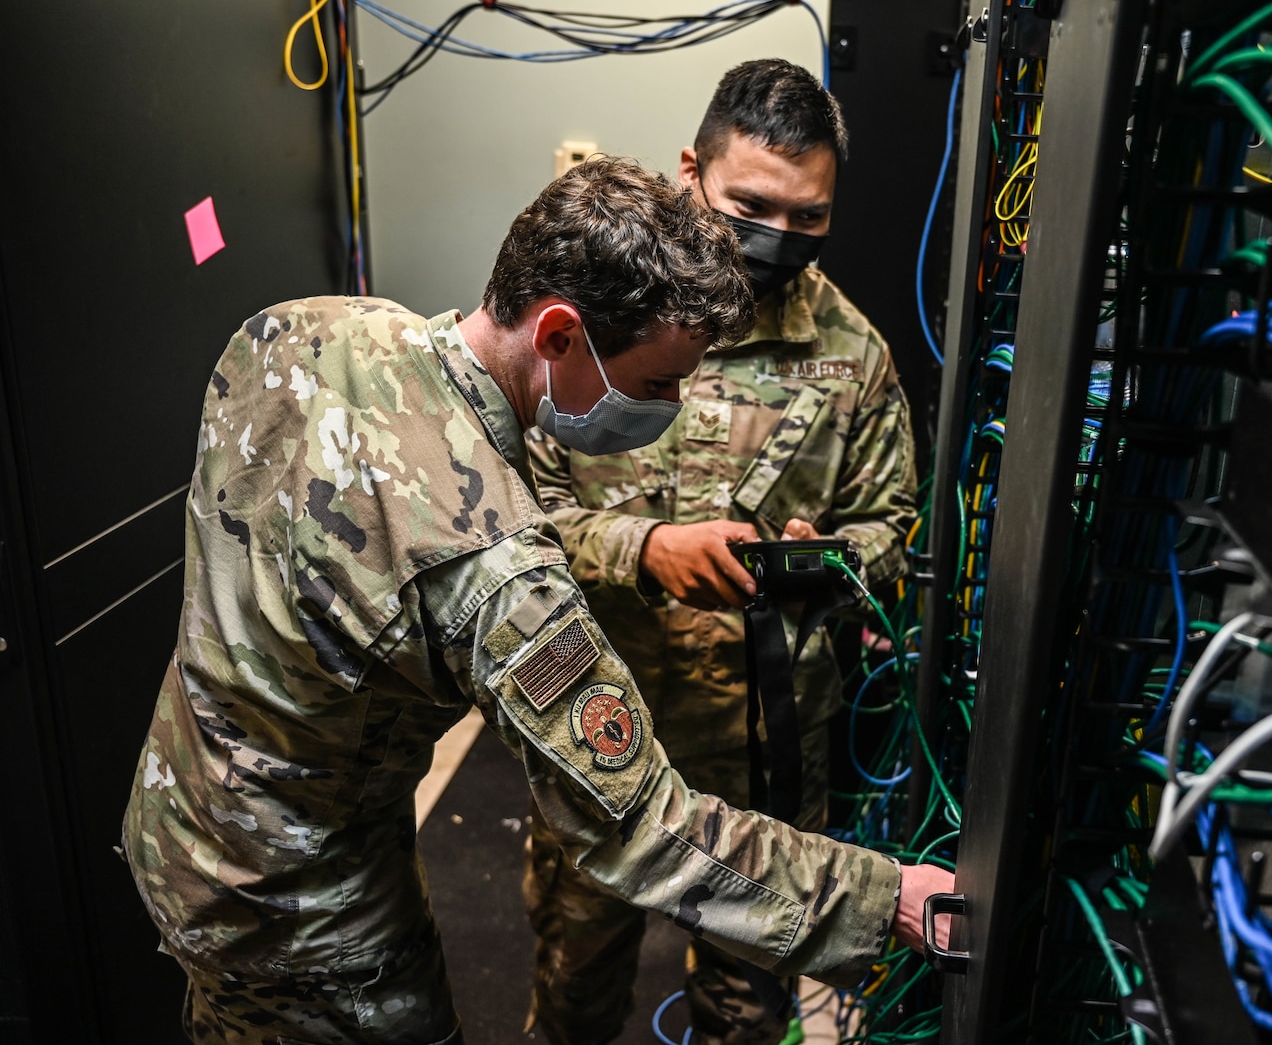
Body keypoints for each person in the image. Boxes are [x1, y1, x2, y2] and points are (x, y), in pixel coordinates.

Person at [121, 156, 950, 1045]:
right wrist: (887, 897)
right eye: (658, 383)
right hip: (310, 918)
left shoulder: (307, 330)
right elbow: (640, 828)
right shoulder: (493, 565)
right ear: (557, 334)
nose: (668, 407)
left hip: (181, 824)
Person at [524, 61, 918, 1045]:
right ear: (691, 170)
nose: (777, 236)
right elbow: (510, 515)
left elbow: (893, 527)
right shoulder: (597, 312)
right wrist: (643, 549)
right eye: (751, 205)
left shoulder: (851, 354)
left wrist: (835, 558)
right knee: (576, 994)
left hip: (767, 747)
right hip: (598, 731)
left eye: (809, 216)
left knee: (746, 1016)